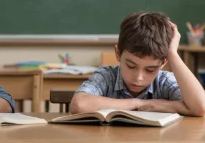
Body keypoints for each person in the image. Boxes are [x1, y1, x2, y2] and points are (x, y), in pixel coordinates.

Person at [71, 11, 205, 116]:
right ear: (118, 53)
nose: (138, 78)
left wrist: (173, 54)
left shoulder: (164, 81)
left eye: (150, 69)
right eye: (131, 66)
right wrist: (138, 103)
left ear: (163, 62)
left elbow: (201, 108)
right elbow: (79, 105)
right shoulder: (107, 76)